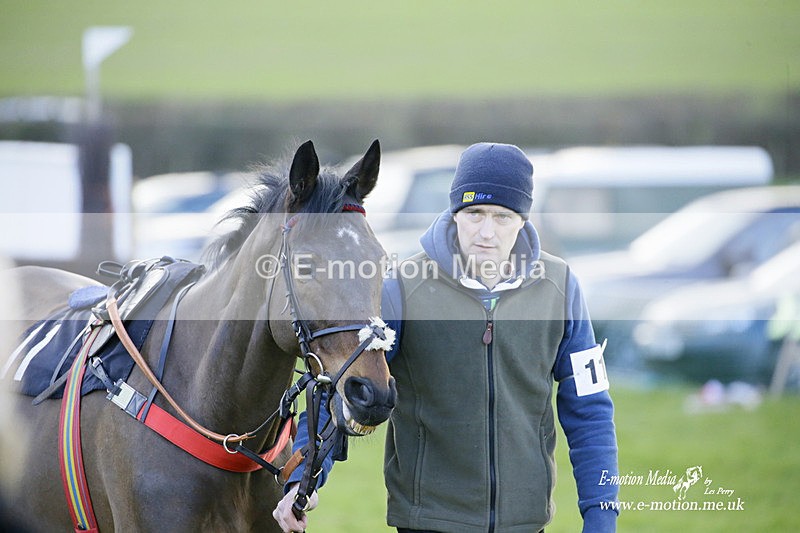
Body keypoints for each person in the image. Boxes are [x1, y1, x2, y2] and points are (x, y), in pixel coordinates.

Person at [274, 142, 619, 532]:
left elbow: (590, 411)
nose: (486, 232)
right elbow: (344, 390)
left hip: (525, 523)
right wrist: (301, 482)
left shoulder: (561, 287)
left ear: (523, 219)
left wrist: (601, 516)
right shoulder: (402, 287)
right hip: (427, 521)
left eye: (502, 217)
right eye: (474, 213)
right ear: (455, 212)